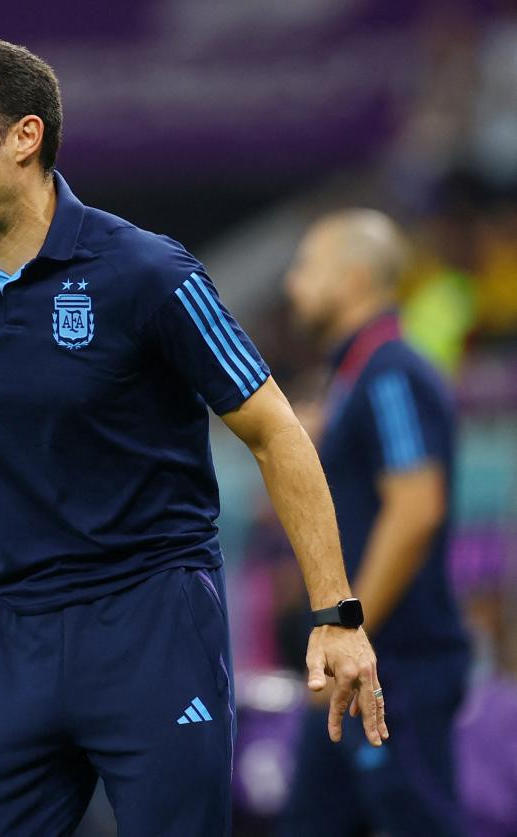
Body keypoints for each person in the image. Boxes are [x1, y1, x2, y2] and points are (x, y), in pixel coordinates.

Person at [0, 39, 387, 835]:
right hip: (4, 635)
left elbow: (277, 434)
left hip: (150, 624)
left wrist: (338, 612)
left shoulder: (148, 273)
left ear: (24, 136)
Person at [280, 210, 470, 836]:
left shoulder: (391, 370)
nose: (292, 285)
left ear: (356, 278)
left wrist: (344, 627)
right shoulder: (354, 376)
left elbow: (416, 508)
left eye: (308, 267)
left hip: (398, 670)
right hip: (360, 665)